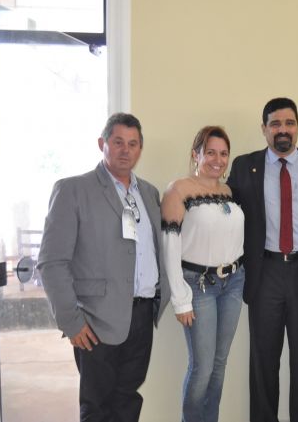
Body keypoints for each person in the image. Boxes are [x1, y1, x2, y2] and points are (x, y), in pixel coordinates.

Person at [37, 112, 171, 422]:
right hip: (96, 321)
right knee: (97, 407)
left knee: (128, 400)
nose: (126, 150)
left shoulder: (148, 193)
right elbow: (52, 262)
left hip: (142, 316)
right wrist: (71, 321)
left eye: (133, 144)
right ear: (102, 144)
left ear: (140, 149)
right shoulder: (73, 190)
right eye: (118, 142)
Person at [227, 97, 298, 422]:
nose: (282, 129)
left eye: (289, 123)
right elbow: (223, 205)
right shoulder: (245, 166)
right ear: (264, 129)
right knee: (263, 359)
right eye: (275, 124)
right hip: (265, 271)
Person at [160, 126, 245, 422]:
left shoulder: (228, 192)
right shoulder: (178, 190)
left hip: (233, 283)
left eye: (223, 153)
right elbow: (170, 245)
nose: (218, 160)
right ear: (196, 155)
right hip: (197, 286)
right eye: (210, 152)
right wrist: (180, 299)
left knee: (219, 365)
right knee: (202, 368)